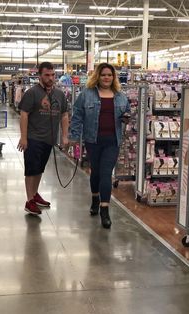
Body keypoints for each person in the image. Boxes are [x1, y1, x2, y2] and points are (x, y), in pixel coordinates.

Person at [69, 63, 130, 229]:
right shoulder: (86, 94)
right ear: (97, 76)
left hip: (112, 141)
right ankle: (95, 198)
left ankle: (105, 209)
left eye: (109, 75)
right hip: (93, 140)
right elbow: (77, 115)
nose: (106, 78)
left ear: (113, 77)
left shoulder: (120, 96)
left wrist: (126, 117)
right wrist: (74, 136)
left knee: (105, 173)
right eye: (103, 75)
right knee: (95, 172)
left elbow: (128, 112)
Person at [17, 62, 69, 215]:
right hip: (33, 138)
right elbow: (24, 114)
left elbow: (64, 114)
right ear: (40, 75)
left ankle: (35, 194)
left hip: (49, 139)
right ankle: (29, 200)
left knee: (40, 169)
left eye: (53, 75)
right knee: (31, 170)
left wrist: (65, 136)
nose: (50, 78)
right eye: (47, 75)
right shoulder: (32, 93)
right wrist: (24, 137)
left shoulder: (59, 94)